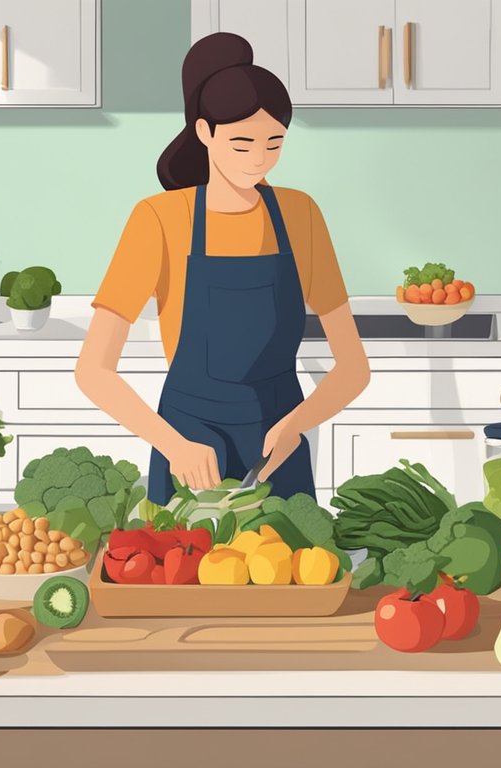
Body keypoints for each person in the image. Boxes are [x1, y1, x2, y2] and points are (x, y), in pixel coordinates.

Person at [76, 33, 370, 505]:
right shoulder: (159, 218)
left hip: (279, 446)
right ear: (205, 133)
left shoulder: (300, 215)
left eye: (274, 143)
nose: (259, 159)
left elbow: (354, 367)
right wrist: (173, 446)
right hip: (189, 446)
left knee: (291, 571)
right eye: (241, 143)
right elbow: (92, 369)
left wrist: (298, 423)